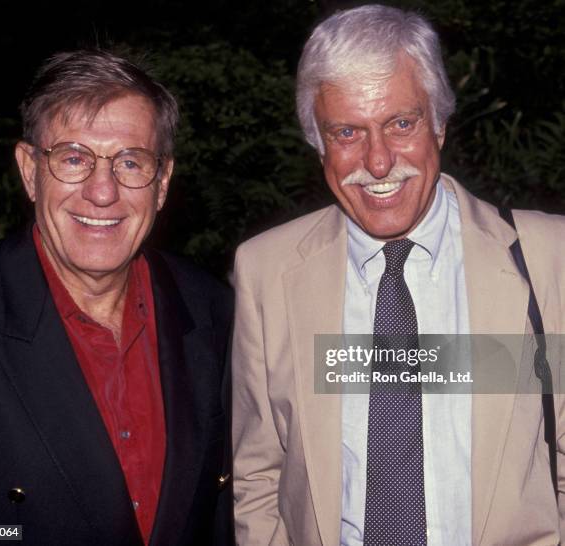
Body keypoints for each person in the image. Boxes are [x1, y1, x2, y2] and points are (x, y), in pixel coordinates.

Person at [232, 4, 565, 545]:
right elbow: (258, 475)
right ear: (317, 142)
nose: (379, 161)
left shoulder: (548, 257)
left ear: (439, 122)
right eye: (346, 132)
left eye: (400, 123)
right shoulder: (266, 272)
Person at [0, 49, 233, 546]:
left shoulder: (213, 311)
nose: (102, 191)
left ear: (162, 182)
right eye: (74, 159)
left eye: (130, 162)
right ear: (28, 169)